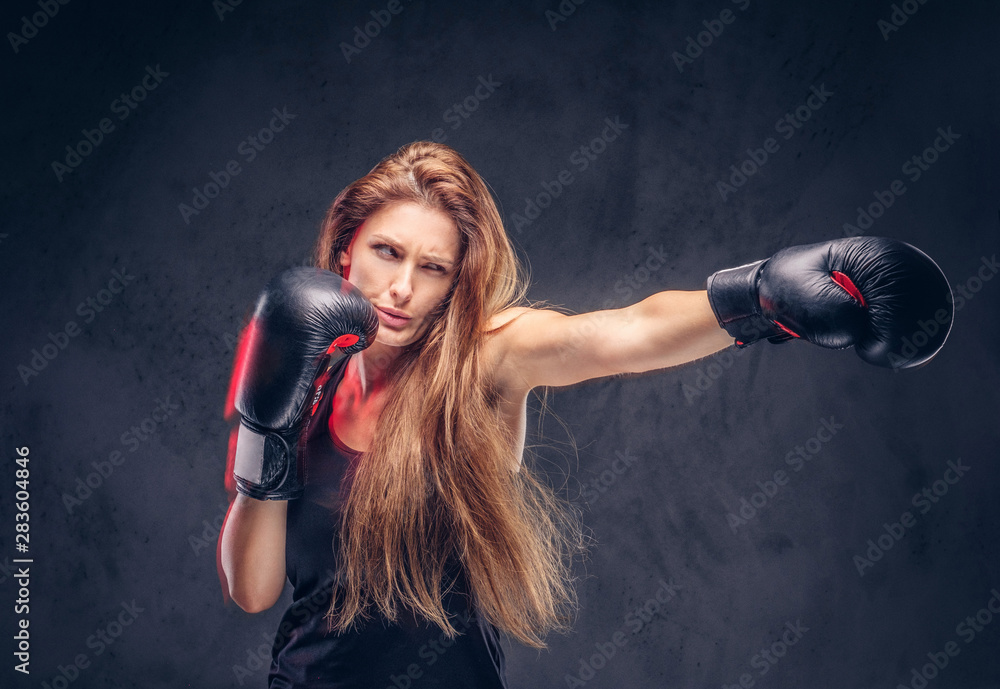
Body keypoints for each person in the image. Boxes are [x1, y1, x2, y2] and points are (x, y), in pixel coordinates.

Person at [218, 141, 952, 688]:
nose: (403, 287)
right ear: (346, 248)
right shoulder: (298, 366)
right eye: (386, 251)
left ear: (455, 283)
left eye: (434, 267)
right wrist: (268, 428)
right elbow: (252, 589)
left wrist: (762, 296)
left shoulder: (485, 357)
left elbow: (620, 332)